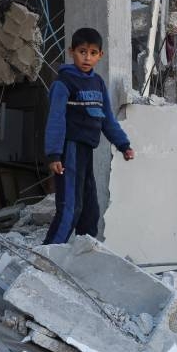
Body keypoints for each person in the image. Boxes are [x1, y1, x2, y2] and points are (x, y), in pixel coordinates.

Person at [43, 28, 135, 244]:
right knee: (70, 208)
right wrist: (54, 154)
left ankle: (84, 254)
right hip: (69, 150)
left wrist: (123, 144)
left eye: (93, 53)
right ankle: (46, 256)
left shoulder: (98, 83)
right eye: (82, 52)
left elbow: (107, 119)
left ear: (100, 55)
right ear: (71, 52)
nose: (87, 58)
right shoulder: (63, 82)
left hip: (86, 152)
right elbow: (56, 119)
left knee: (90, 211)